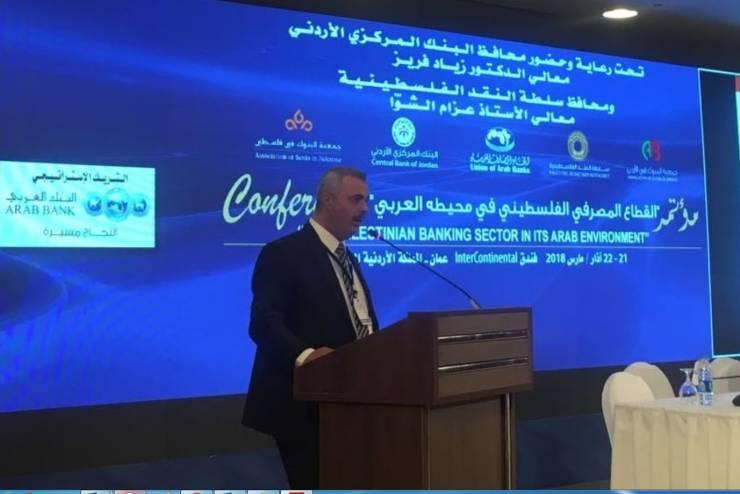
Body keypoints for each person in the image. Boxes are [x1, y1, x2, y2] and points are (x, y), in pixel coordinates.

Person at [242, 166, 379, 488]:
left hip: (351, 400)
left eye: (366, 200)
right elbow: (263, 323)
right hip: (303, 406)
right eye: (356, 199)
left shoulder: (348, 258)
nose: (365, 209)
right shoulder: (283, 253)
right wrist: (307, 357)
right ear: (328, 200)